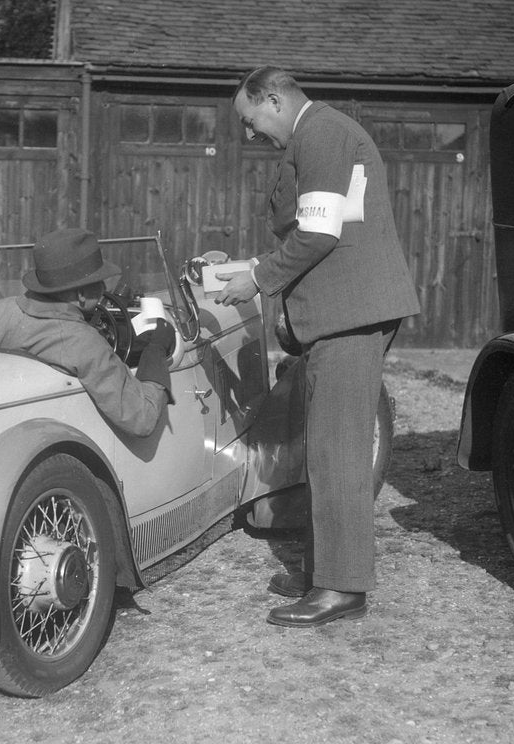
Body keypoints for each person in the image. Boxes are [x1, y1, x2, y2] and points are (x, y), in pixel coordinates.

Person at [216, 67, 420, 628]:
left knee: (338, 452)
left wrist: (258, 278)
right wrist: (254, 266)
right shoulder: (316, 134)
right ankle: (324, 569)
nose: (250, 133)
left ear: (273, 99)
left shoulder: (323, 133)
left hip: (350, 313)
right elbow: (320, 226)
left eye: (250, 120)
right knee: (326, 447)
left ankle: (341, 588)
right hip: (340, 312)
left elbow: (319, 233)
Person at [0, 227, 174, 438]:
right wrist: (155, 351)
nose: (105, 289)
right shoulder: (84, 342)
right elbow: (141, 418)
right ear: (81, 295)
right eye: (99, 283)